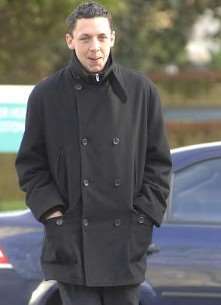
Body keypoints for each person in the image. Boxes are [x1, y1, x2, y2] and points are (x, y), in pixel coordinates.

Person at [15, 2, 172, 305]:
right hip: (73, 243)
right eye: (85, 38)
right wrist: (53, 215)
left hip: (124, 244)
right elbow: (31, 165)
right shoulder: (46, 95)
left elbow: (159, 165)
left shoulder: (141, 91)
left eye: (101, 37)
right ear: (70, 41)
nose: (94, 47)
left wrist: (143, 219)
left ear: (113, 37)